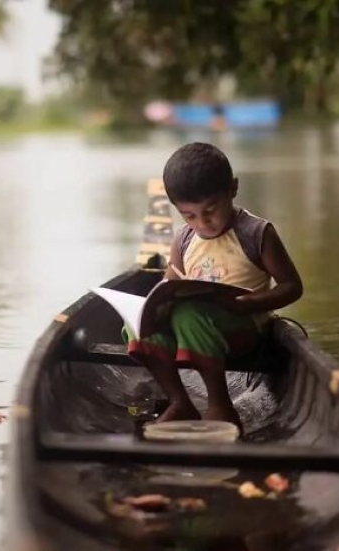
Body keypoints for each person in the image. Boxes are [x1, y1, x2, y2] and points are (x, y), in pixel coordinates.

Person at [124, 142, 303, 431]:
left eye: (210, 210)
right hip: (195, 328)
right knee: (137, 324)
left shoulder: (256, 234)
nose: (203, 222)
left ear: (232, 189)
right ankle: (180, 402)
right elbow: (171, 280)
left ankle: (220, 404)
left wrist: (249, 304)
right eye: (189, 215)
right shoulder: (184, 240)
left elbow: (292, 287)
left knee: (189, 315)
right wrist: (158, 303)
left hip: (244, 329)